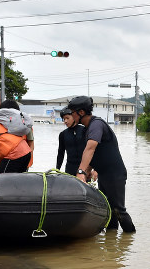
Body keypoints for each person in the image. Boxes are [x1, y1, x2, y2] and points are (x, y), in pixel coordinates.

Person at [67, 96, 135, 233]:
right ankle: (112, 241)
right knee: (108, 210)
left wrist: (80, 172)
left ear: (81, 112)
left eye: (72, 113)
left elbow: (91, 148)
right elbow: (94, 154)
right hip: (104, 174)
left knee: (118, 209)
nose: (71, 116)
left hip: (115, 174)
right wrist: (88, 171)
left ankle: (130, 237)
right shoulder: (87, 129)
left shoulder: (96, 124)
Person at [56, 105, 87, 175]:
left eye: (67, 118)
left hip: (84, 167)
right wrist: (57, 169)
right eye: (64, 119)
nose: (65, 121)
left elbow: (92, 150)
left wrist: (95, 169)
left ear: (74, 117)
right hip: (70, 168)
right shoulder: (63, 134)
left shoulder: (85, 130)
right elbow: (61, 153)